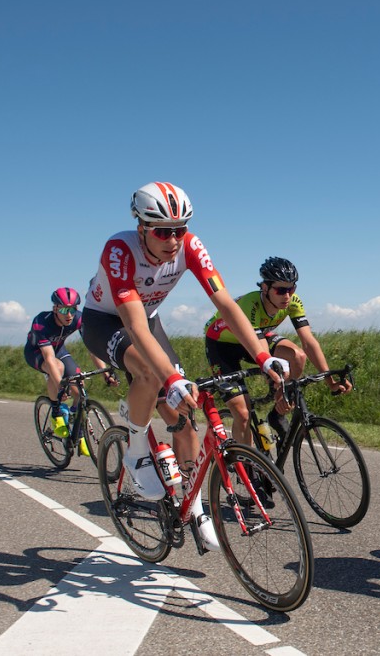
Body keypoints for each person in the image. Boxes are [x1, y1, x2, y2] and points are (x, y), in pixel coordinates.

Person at [81, 181, 289, 552]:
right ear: (142, 226)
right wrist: (172, 376)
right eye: (163, 231)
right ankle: (134, 448)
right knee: (149, 372)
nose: (174, 239)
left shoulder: (190, 246)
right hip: (106, 322)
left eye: (180, 229)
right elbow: (133, 326)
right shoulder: (120, 249)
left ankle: (192, 503)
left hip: (149, 320)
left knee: (185, 413)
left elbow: (226, 304)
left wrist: (262, 355)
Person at [203, 256, 352, 448]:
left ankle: (277, 413)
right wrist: (276, 380)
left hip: (259, 336)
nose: (287, 296)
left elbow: (308, 342)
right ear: (265, 288)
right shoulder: (251, 305)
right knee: (243, 413)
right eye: (281, 290)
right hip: (222, 345)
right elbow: (262, 354)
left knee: (298, 356)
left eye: (291, 289)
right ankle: (247, 467)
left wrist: (329, 380)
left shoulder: (293, 302)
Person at [24, 287, 117, 439]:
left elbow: (92, 348)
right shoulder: (41, 322)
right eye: (63, 311)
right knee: (57, 368)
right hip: (36, 353)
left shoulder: (79, 319)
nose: (69, 315)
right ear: (55, 308)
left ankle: (74, 416)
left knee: (79, 387)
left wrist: (105, 373)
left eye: (72, 310)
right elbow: (48, 357)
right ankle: (56, 411)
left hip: (59, 350)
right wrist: (61, 385)